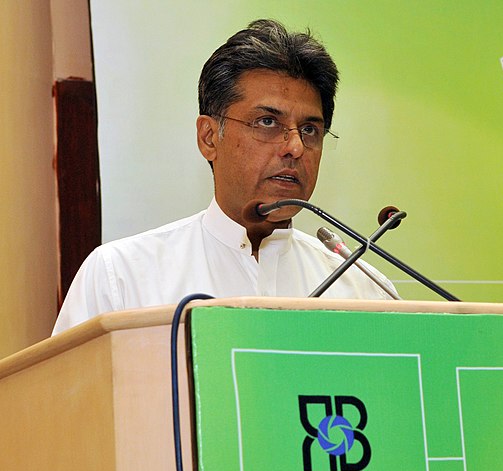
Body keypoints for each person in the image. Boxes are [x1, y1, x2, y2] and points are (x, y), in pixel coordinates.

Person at [53, 19, 397, 335]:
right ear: (208, 137)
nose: (295, 146)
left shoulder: (363, 290)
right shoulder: (122, 277)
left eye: (310, 129)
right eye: (267, 122)